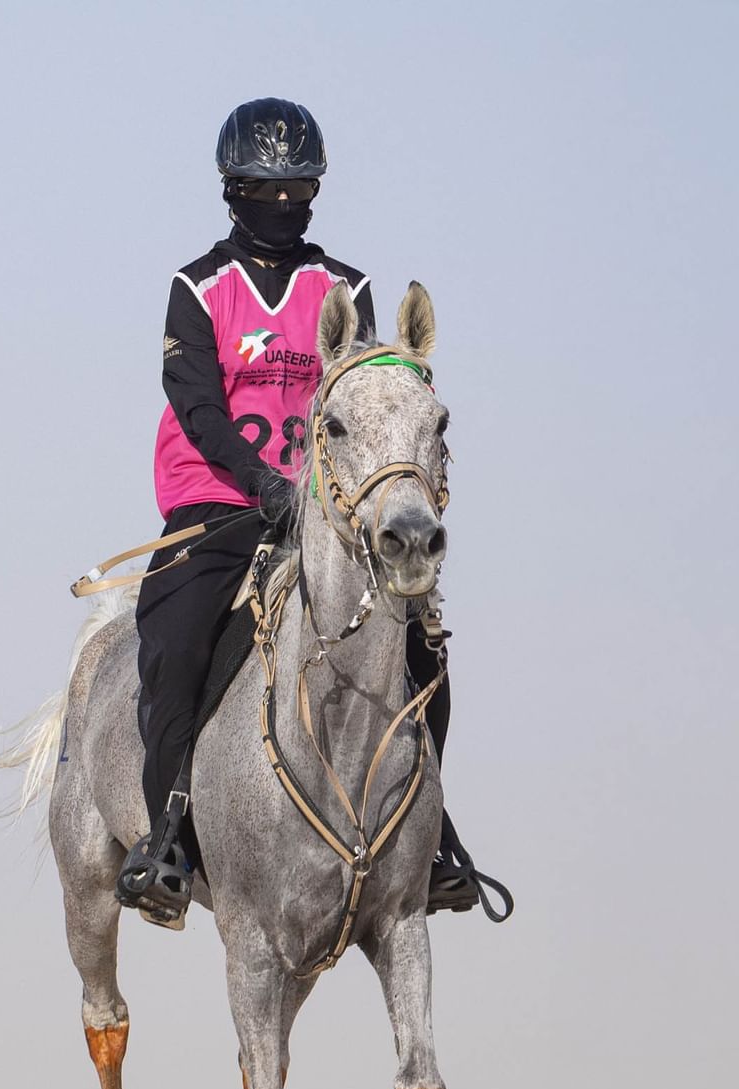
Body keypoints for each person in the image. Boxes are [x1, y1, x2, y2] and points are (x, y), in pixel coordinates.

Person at [119, 97, 498, 927]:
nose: (281, 205)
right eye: (264, 188)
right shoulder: (197, 286)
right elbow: (196, 402)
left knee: (417, 646)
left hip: (331, 509)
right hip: (216, 502)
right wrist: (261, 485)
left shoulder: (345, 287)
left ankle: (432, 840)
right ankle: (167, 837)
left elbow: (369, 394)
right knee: (175, 644)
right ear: (233, 189)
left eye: (297, 191)